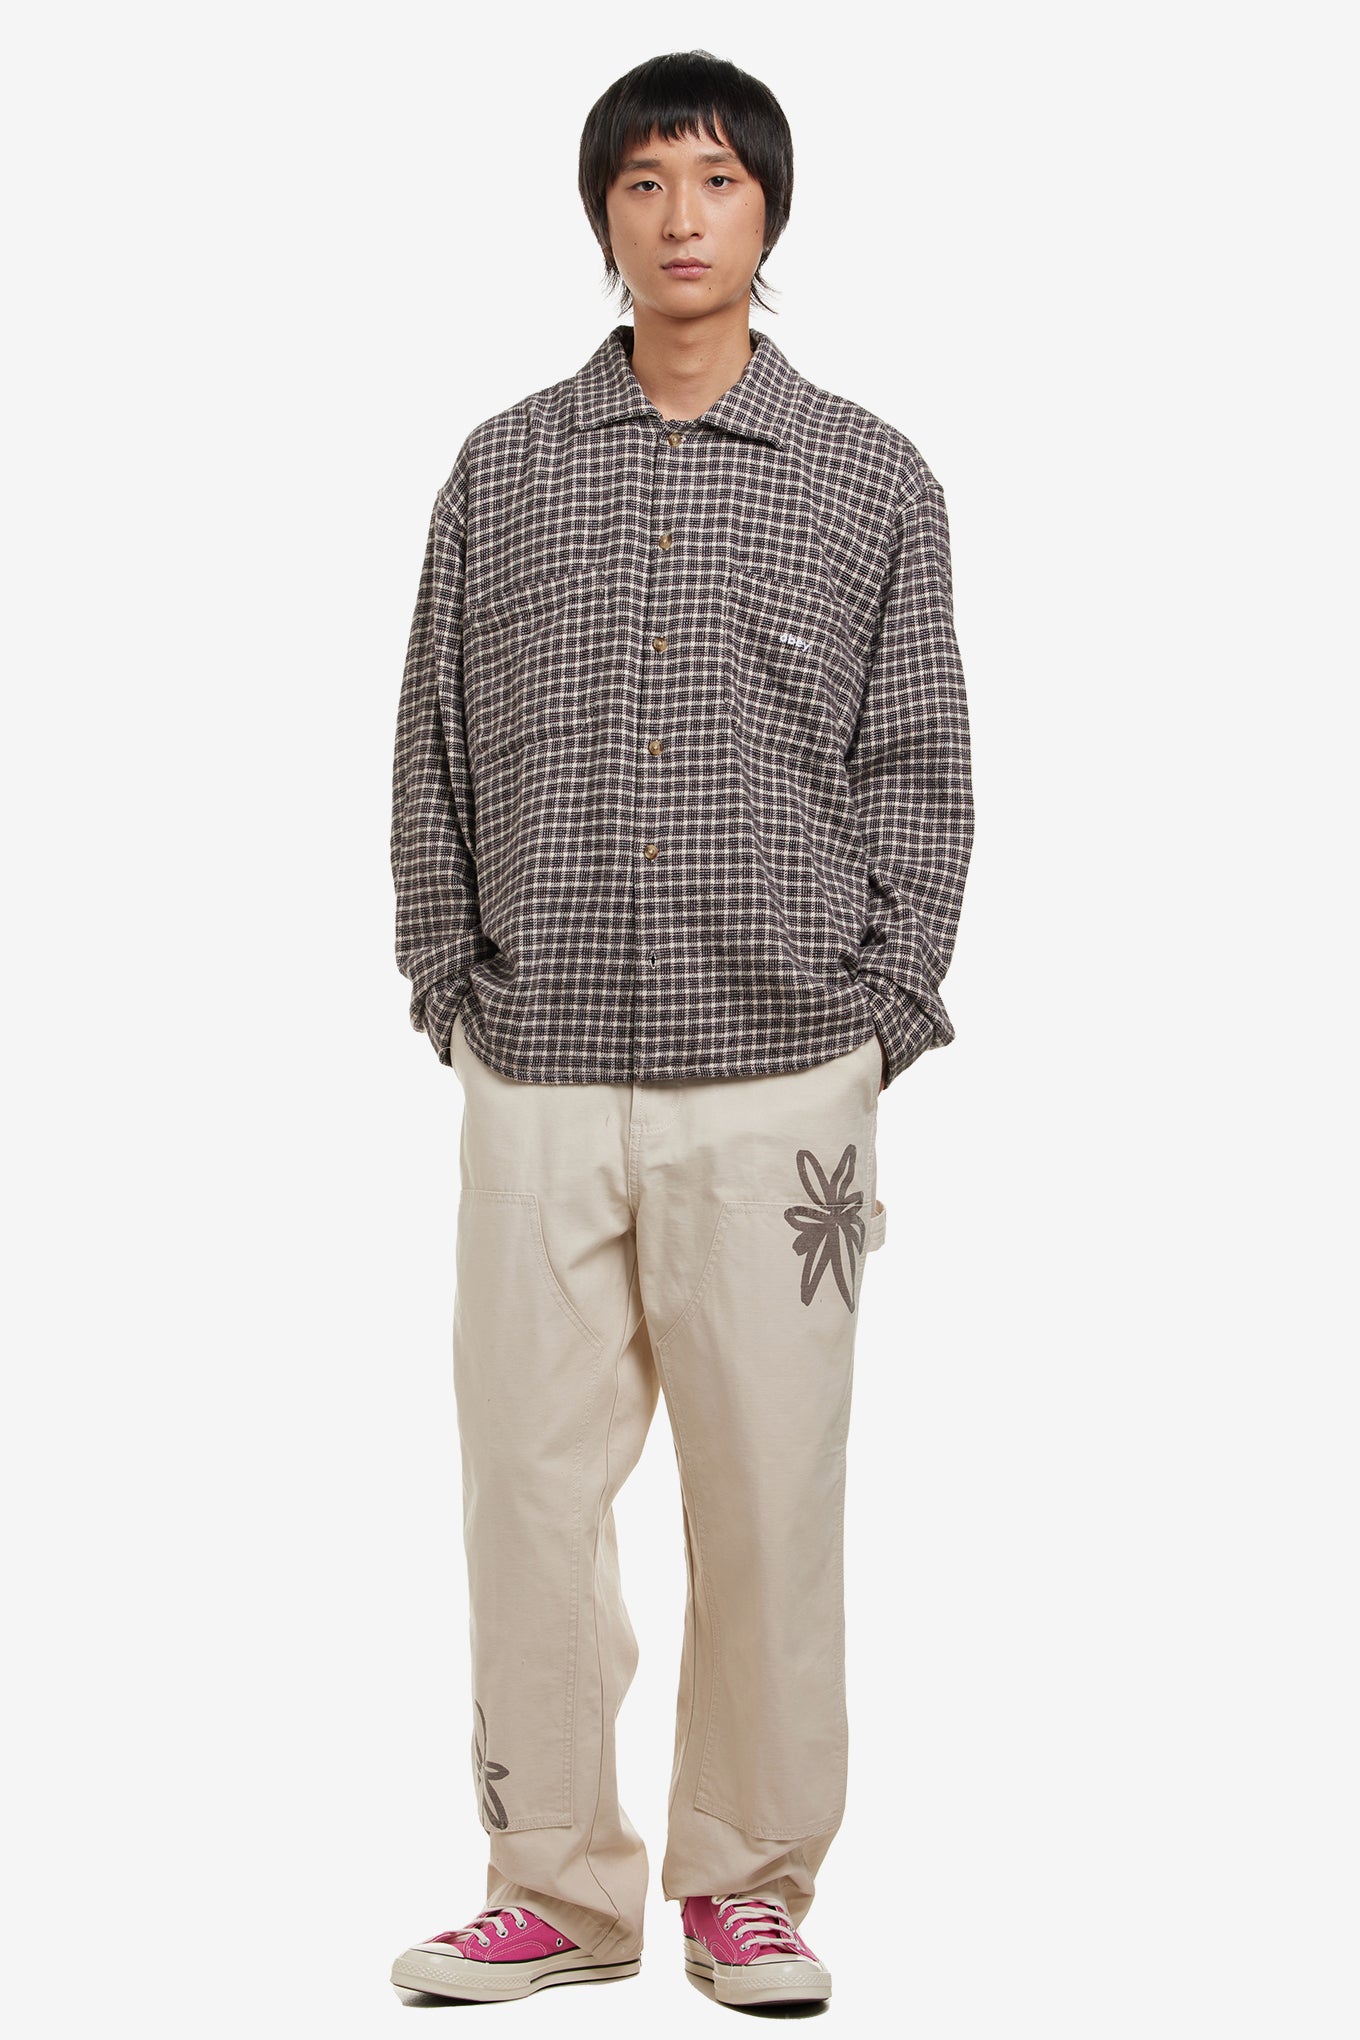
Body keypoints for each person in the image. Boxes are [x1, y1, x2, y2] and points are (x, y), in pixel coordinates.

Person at [387, 47, 974, 2013]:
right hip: (537, 1070)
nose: (679, 216)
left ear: (767, 209)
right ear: (601, 216)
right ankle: (554, 1888)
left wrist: (875, 1013)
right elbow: (430, 746)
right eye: (642, 182)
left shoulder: (870, 477)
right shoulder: (503, 469)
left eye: (713, 178)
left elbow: (919, 766)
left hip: (782, 1082)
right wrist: (450, 982)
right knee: (528, 1495)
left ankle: (747, 1885)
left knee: (770, 1495)